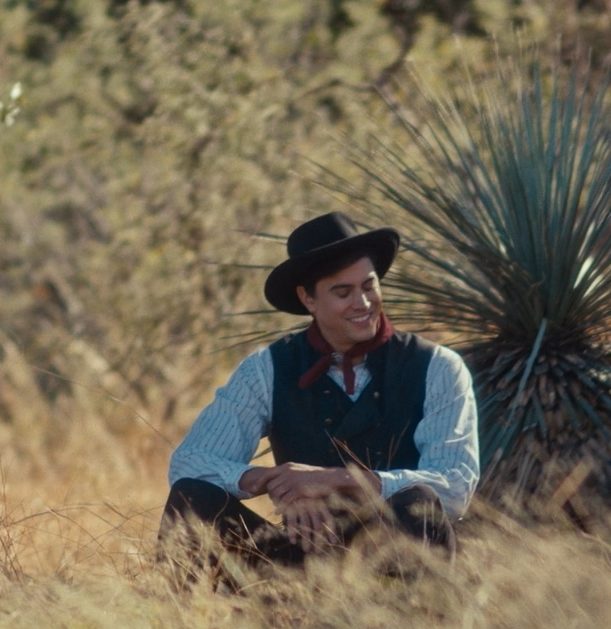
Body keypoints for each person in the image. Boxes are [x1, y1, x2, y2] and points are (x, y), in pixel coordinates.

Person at [161, 212, 480, 570]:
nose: (363, 303)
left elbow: (455, 485)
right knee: (191, 499)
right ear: (308, 299)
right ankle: (203, 609)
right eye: (343, 292)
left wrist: (336, 481)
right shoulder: (266, 368)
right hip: (298, 559)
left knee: (419, 501)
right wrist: (281, 483)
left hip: (396, 558)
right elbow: (190, 462)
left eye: (369, 286)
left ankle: (414, 607)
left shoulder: (438, 367)